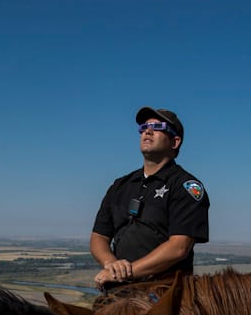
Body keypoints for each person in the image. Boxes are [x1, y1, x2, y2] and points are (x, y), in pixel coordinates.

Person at [90, 107, 210, 290]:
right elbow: (98, 236)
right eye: (144, 127)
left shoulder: (186, 187)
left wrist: (126, 272)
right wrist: (110, 264)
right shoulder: (120, 185)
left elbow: (179, 248)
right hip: (117, 290)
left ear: (175, 142)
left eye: (157, 126)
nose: (148, 130)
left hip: (164, 295)